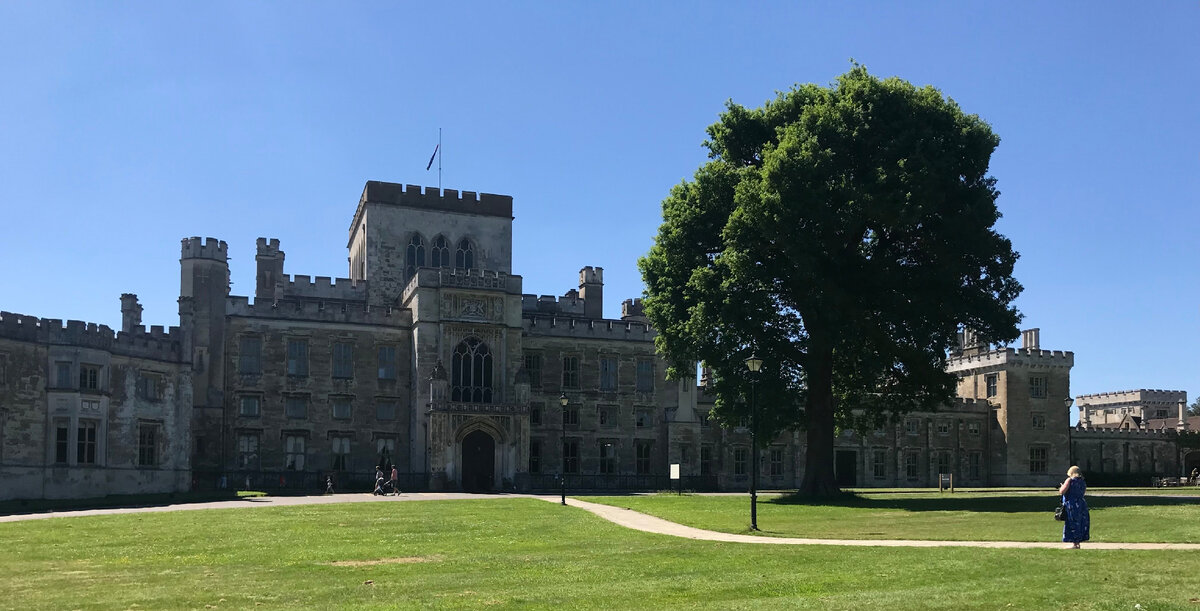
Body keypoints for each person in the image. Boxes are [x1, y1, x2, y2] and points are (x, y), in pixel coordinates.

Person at [1058, 465, 1090, 549]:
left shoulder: (1069, 480)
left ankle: (1075, 543)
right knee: (1080, 522)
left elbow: (1062, 491)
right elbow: (1083, 492)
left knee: (1072, 522)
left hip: (1072, 504)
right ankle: (1078, 542)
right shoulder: (1082, 481)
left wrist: (1062, 486)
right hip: (1081, 504)